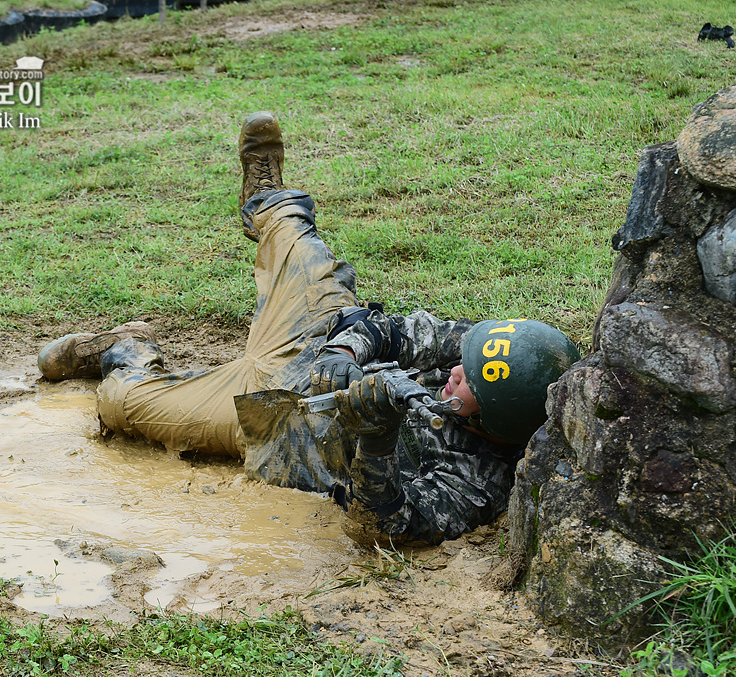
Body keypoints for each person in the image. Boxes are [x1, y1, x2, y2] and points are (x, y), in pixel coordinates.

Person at [38, 112, 580, 546]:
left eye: (469, 383)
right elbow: (391, 329)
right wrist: (345, 350)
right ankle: (264, 201)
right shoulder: (477, 349)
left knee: (123, 406)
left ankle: (121, 349)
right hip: (312, 338)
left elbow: (380, 530)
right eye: (467, 358)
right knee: (298, 241)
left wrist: (377, 439)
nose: (457, 369)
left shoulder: (478, 481)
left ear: (492, 419)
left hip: (274, 425)